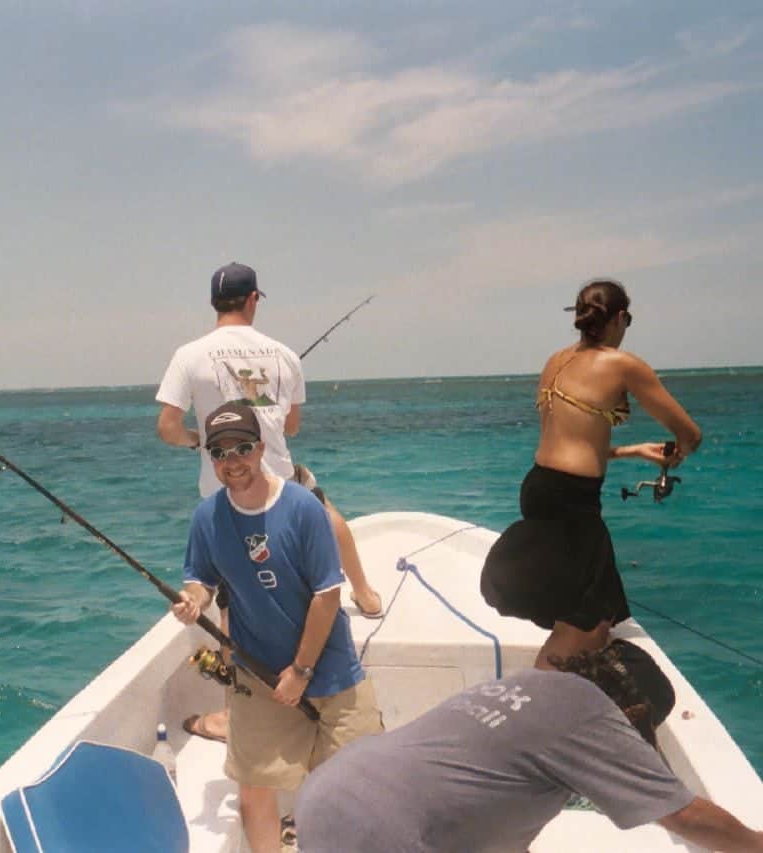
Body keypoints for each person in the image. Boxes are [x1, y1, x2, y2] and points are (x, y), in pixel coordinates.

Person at [158, 262, 383, 744]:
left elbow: (166, 426)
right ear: (253, 299)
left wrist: (198, 441)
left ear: (213, 303)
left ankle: (232, 714)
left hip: (227, 490)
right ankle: (364, 592)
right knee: (322, 511)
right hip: (282, 478)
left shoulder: (189, 355)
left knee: (232, 596)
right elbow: (294, 427)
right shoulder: (284, 355)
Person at [294, 639, 763, 852]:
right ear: (634, 715)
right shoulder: (591, 713)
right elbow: (686, 816)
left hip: (327, 794)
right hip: (386, 835)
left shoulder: (531, 686)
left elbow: (488, 812)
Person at [171, 402, 383, 853]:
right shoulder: (207, 518)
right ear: (211, 459)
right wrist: (194, 599)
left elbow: (328, 595)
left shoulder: (304, 508)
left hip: (327, 668)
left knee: (365, 786)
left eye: (243, 449)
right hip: (258, 673)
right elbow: (200, 578)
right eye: (221, 453)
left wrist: (301, 671)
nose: (233, 462)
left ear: (262, 448)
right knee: (253, 788)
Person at [481, 279, 702, 669]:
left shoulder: (556, 360)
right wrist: (679, 451)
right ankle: (539, 703)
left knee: (594, 615)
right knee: (584, 622)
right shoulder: (622, 364)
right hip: (572, 500)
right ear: (618, 318)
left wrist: (632, 451)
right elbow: (689, 434)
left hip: (540, 486)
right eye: (627, 319)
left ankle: (567, 696)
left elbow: (569, 442)